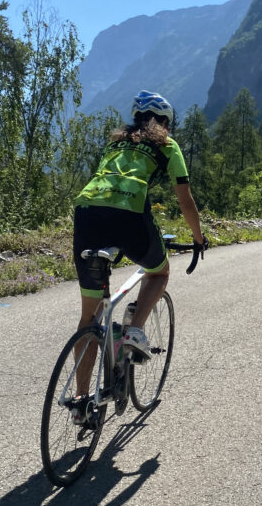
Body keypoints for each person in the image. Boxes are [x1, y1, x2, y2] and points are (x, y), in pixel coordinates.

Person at [73, 89, 207, 363]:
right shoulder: (168, 146)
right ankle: (134, 331)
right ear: (165, 123)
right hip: (129, 215)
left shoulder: (114, 144)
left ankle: (80, 402)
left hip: (86, 212)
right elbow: (186, 200)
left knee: (89, 319)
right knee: (159, 273)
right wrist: (199, 238)